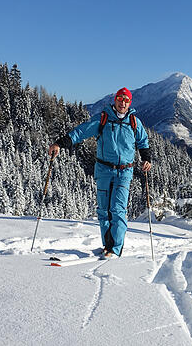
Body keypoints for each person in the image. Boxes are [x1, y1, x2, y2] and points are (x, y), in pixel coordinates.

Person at [48, 87, 151, 258]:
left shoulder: (134, 122)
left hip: (124, 171)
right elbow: (80, 132)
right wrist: (60, 143)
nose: (122, 102)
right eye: (120, 98)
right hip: (103, 170)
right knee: (104, 210)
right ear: (115, 99)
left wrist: (146, 158)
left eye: (126, 100)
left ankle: (115, 249)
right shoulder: (103, 119)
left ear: (130, 103)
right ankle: (107, 245)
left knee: (117, 209)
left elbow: (143, 141)